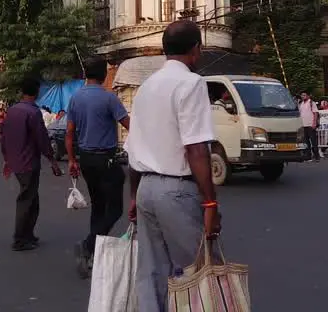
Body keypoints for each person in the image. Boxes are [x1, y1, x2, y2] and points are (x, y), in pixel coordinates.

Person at [124, 21, 220, 311]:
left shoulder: (145, 87)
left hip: (146, 189)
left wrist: (134, 195)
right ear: (196, 50)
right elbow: (196, 149)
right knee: (198, 270)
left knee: (151, 273)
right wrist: (210, 203)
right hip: (176, 190)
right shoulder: (191, 83)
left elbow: (133, 148)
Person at [66, 64, 131, 277]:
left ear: (86, 75)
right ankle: (88, 245)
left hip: (86, 160)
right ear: (104, 75)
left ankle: (93, 252)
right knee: (115, 209)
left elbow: (69, 133)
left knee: (98, 205)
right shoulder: (109, 98)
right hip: (106, 159)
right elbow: (128, 123)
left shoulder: (76, 98)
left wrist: (72, 161)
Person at [0, 77, 62, 252]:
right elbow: (41, 139)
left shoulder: (12, 111)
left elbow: (4, 137)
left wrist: (6, 159)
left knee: (32, 198)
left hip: (16, 160)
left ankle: (28, 234)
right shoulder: (33, 113)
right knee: (27, 199)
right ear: (37, 93)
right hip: (28, 162)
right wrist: (52, 161)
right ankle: (19, 238)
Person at [298, 92, 320, 162]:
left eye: (304, 95)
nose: (303, 96)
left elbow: (315, 113)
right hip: (303, 125)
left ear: (308, 96)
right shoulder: (301, 104)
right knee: (306, 142)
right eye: (302, 95)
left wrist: (314, 123)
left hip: (310, 125)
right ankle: (308, 156)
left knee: (313, 141)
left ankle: (317, 156)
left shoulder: (311, 103)